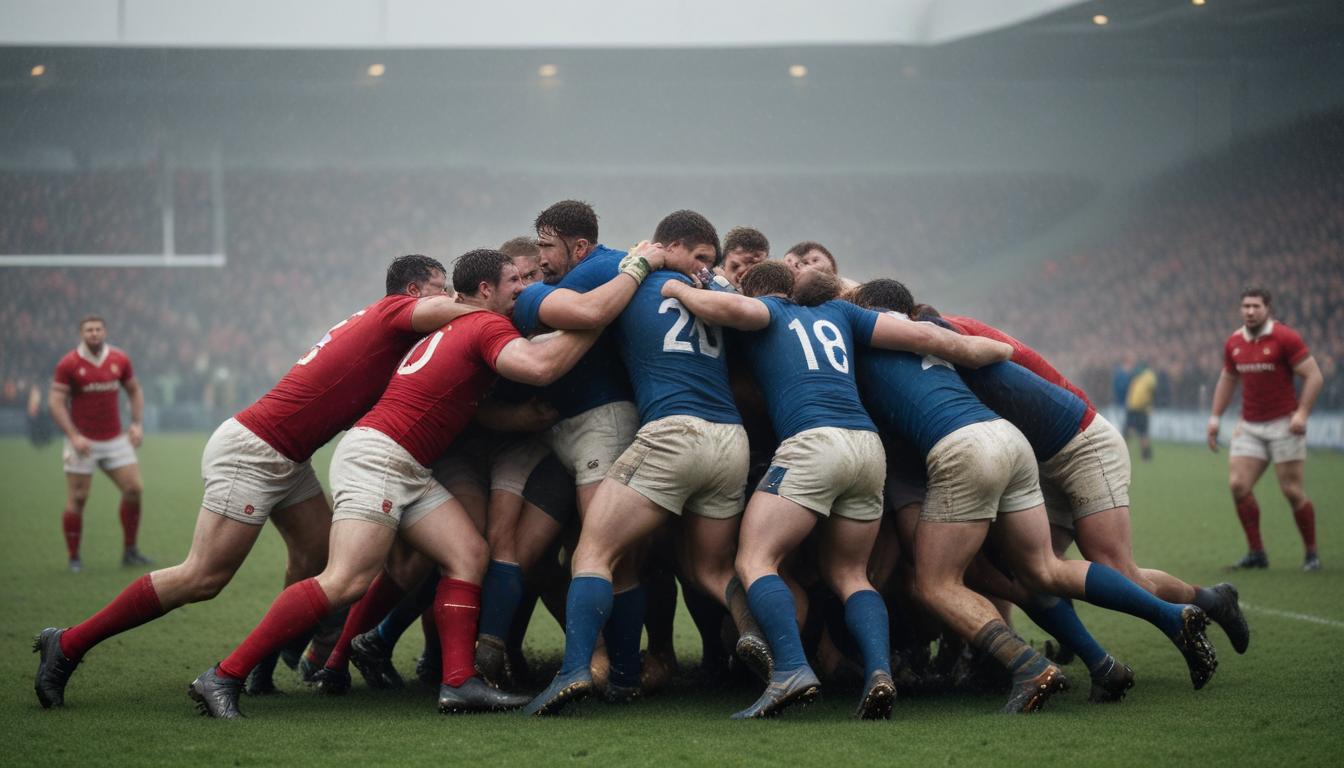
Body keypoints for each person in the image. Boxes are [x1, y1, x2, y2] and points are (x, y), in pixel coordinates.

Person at [33, 255, 483, 710]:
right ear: (411, 292)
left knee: (322, 558)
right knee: (203, 577)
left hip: (286, 457)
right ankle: (69, 644)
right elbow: (438, 314)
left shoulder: (387, 331)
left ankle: (261, 664)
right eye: (439, 288)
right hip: (254, 452)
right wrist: (497, 313)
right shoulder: (393, 311)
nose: (447, 298)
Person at [188, 248, 611, 719]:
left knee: (467, 555)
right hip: (381, 459)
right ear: (486, 291)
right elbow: (541, 366)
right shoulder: (484, 323)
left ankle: (457, 684)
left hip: (401, 460)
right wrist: (598, 320)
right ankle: (225, 675)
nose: (524, 288)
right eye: (514, 279)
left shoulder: (459, 324)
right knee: (346, 578)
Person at [661, 263, 1012, 719]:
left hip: (813, 443)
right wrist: (1002, 348)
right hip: (867, 451)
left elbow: (725, 306)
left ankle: (790, 671)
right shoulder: (843, 316)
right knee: (851, 573)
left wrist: (674, 287)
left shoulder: (769, 311)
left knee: (754, 559)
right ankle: (879, 673)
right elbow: (932, 338)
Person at [525, 211, 766, 717]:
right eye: (700, 257)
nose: (704, 267)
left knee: (592, 553)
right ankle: (776, 651)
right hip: (731, 441)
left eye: (709, 261)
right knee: (710, 567)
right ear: (673, 245)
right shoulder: (715, 295)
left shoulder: (627, 271)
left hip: (673, 432)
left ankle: (574, 673)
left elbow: (573, 312)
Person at [1208, 287, 1325, 571]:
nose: (1249, 311)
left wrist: (1302, 413)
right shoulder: (1234, 342)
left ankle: (1311, 554)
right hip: (1249, 425)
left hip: (1285, 425)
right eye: (1245, 306)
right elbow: (1227, 379)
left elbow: (1314, 376)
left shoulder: (1285, 337)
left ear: (1267, 309)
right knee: (1238, 485)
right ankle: (1257, 553)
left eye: (1255, 306)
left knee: (1292, 491)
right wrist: (1215, 417)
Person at [48, 316, 149, 571]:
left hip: (116, 439)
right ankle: (74, 557)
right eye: (89, 330)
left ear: (105, 331)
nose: (94, 333)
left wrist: (136, 424)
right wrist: (73, 436)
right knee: (79, 498)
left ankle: (130, 551)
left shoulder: (119, 359)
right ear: (81, 334)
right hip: (83, 441)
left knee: (134, 489)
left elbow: (134, 390)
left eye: (98, 329)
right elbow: (56, 402)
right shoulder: (69, 364)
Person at [783, 240, 860, 290]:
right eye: (796, 265)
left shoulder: (849, 288)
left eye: (814, 260)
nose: (808, 269)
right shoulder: (783, 303)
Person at [1124, 360, 1157, 461]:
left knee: (1129, 431)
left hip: (1134, 407)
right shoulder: (1149, 376)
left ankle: (1125, 453)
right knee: (1142, 432)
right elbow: (1152, 391)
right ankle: (1145, 455)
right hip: (1142, 408)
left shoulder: (1138, 376)